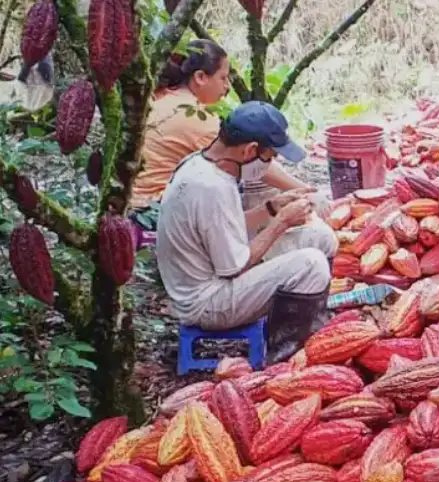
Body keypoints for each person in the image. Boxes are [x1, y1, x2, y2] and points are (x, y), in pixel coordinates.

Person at [156, 101, 337, 345]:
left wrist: (271, 208)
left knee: (321, 238)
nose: (269, 164)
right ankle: (287, 351)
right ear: (250, 151)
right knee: (311, 264)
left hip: (213, 271)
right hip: (207, 301)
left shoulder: (201, 165)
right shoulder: (211, 188)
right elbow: (235, 267)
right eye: (269, 157)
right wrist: (281, 222)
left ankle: (309, 323)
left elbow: (220, 226)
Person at [130, 39, 321, 233]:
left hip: (132, 206)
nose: (227, 86)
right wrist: (309, 193)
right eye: (223, 77)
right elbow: (256, 163)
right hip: (152, 214)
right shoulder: (195, 118)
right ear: (200, 77)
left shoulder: (159, 97)